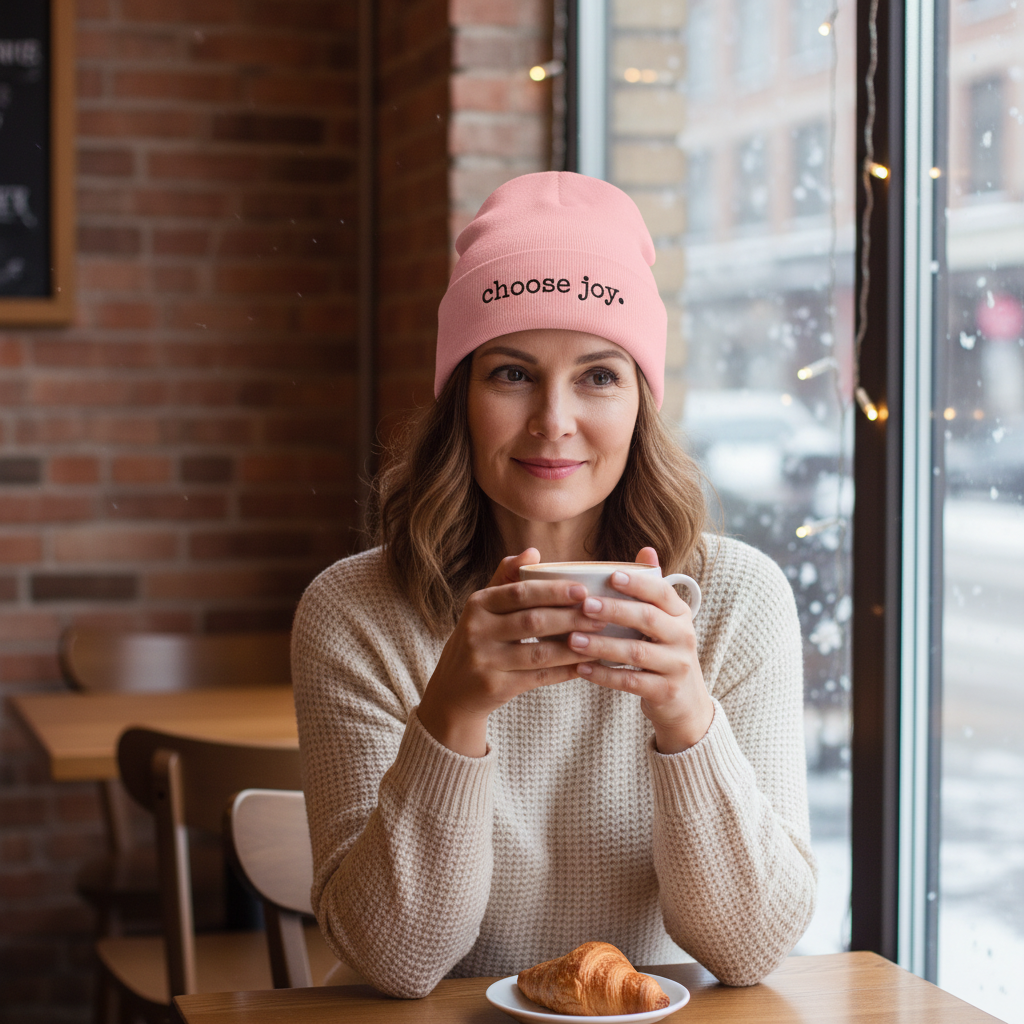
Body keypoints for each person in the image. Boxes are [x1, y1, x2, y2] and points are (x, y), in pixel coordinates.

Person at [291, 172, 816, 999]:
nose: (554, 420)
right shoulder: (355, 611)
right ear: (459, 394)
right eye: (511, 372)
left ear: (641, 402)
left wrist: (685, 717)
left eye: (599, 376)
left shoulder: (737, 600)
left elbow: (750, 949)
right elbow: (395, 963)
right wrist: (453, 713)